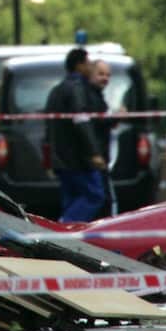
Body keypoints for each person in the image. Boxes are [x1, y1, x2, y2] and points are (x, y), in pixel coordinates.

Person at [45, 47, 106, 222]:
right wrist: (94, 152)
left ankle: (68, 241)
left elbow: (49, 127)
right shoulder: (78, 88)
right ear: (79, 65)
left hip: (61, 159)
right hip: (78, 159)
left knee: (71, 198)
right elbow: (82, 122)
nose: (90, 67)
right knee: (94, 195)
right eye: (87, 64)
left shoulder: (57, 90)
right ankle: (66, 229)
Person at [87, 59, 114, 218]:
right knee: (101, 199)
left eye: (108, 75)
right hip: (95, 159)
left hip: (98, 156)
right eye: (101, 74)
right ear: (91, 74)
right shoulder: (91, 96)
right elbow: (97, 123)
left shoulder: (97, 95)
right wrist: (116, 117)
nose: (105, 78)